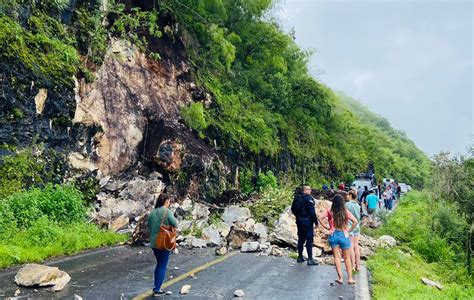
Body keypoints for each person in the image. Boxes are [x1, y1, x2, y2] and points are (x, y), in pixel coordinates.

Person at [320, 194, 358, 284]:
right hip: (343, 235)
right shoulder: (345, 212)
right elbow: (355, 221)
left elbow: (320, 217)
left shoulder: (330, 211)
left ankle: (340, 278)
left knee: (337, 258)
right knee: (347, 258)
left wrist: (327, 227)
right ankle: (350, 279)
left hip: (333, 235)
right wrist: (349, 230)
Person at [148, 194, 178, 297]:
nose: (169, 204)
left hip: (154, 243)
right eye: (169, 202)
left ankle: (156, 286)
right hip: (164, 242)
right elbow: (175, 224)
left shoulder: (152, 213)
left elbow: (149, 226)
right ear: (165, 202)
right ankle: (157, 289)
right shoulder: (167, 212)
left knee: (159, 264)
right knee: (162, 265)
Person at [292, 186, 319, 265]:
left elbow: (293, 209)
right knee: (309, 239)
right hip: (307, 221)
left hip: (299, 221)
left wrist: (298, 216)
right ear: (305, 190)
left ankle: (300, 257)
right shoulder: (308, 199)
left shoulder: (297, 197)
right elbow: (312, 212)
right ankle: (310, 259)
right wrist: (316, 222)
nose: (310, 191)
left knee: (301, 238)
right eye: (309, 189)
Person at [346, 190, 361, 272]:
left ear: (351, 195)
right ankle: (358, 266)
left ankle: (352, 265)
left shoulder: (347, 204)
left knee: (350, 246)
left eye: (347, 194)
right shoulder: (358, 205)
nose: (346, 195)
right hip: (357, 227)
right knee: (356, 246)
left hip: (350, 227)